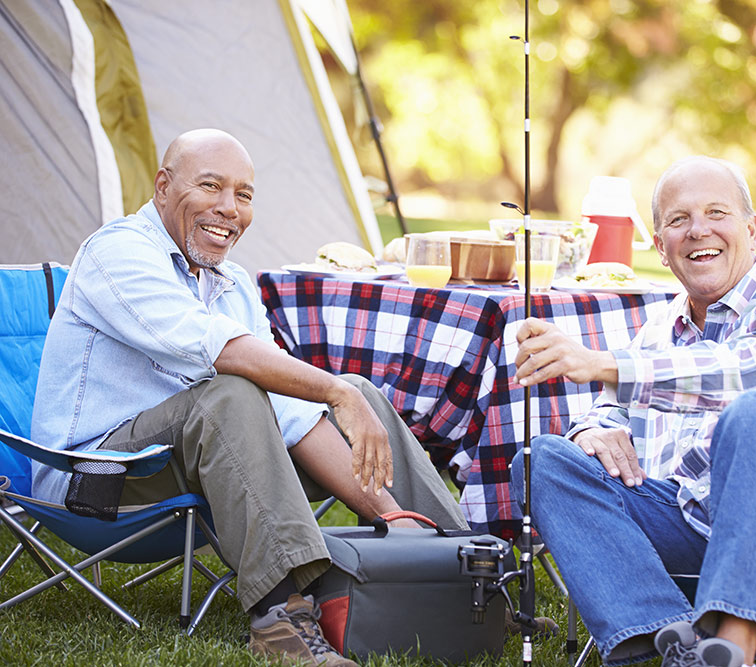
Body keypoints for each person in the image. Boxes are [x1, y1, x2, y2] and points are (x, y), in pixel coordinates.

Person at [32, 128, 468, 666]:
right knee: (234, 392)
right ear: (163, 187)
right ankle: (280, 614)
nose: (228, 208)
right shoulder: (117, 252)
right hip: (96, 478)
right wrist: (329, 389)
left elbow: (287, 408)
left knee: (355, 394)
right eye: (210, 186)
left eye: (243, 194)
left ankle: (461, 572)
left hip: (201, 461)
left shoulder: (231, 282)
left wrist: (389, 507)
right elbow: (216, 351)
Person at [510, 156, 756, 667]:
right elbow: (607, 415)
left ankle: (735, 650)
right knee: (543, 460)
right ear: (661, 248)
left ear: (751, 230)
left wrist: (602, 362)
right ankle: (676, 639)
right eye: (678, 220)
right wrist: (592, 436)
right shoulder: (657, 331)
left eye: (717, 212)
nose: (698, 230)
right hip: (692, 520)